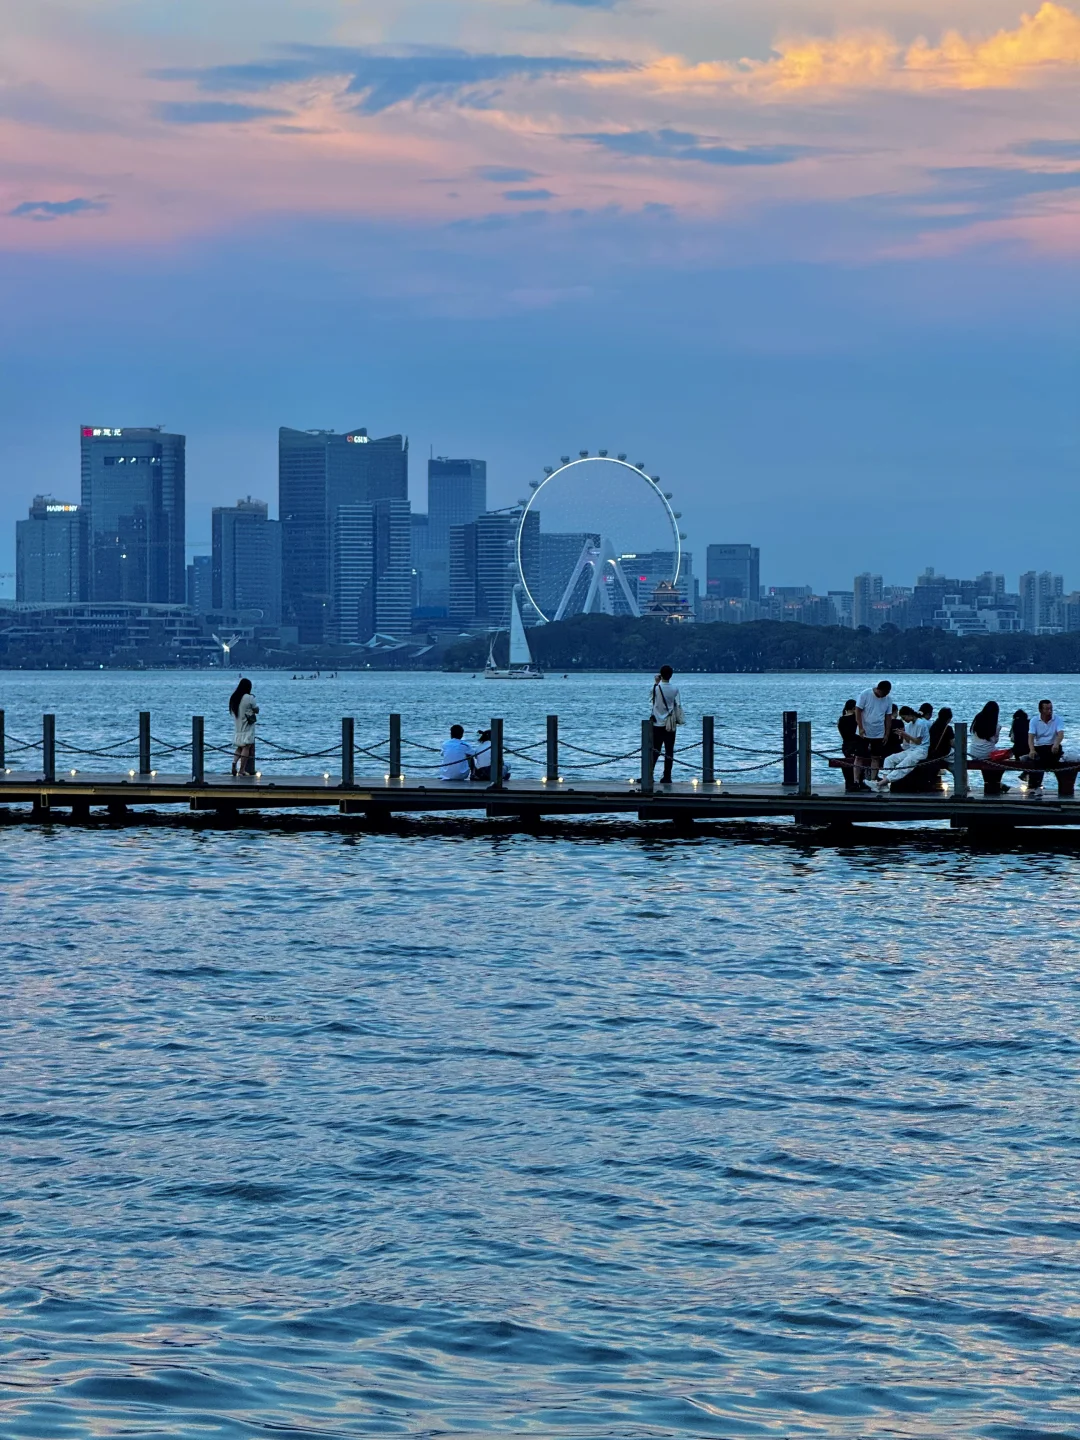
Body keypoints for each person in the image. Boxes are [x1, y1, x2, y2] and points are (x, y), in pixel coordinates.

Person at [878, 705, 929, 788]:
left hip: (921, 750)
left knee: (904, 763)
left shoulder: (920, 724)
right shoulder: (908, 726)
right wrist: (903, 735)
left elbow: (918, 741)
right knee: (889, 759)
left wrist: (905, 734)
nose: (904, 720)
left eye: (904, 717)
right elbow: (909, 742)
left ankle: (881, 783)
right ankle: (884, 784)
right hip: (911, 749)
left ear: (909, 715)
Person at [854, 679, 892, 787]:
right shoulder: (865, 694)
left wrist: (887, 733)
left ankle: (873, 780)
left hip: (879, 732)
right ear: (878, 689)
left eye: (887, 693)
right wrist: (860, 727)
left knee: (876, 757)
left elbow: (888, 717)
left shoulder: (888, 699)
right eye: (884, 693)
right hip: (864, 731)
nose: (885, 695)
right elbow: (858, 710)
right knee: (859, 757)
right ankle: (856, 780)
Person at [650, 665, 682, 785]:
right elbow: (677, 704)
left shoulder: (656, 688)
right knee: (669, 751)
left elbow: (651, 700)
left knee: (654, 750)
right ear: (671, 675)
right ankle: (667, 776)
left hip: (657, 724)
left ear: (660, 674)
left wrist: (656, 683)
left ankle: (649, 775)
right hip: (670, 724)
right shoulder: (675, 689)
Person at [969, 701, 1009, 796]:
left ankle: (989, 783)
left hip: (973, 752)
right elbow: (995, 741)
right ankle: (996, 783)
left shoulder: (976, 721)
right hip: (988, 753)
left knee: (986, 764)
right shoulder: (996, 725)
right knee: (1004, 759)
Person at [1025, 699, 1064, 794]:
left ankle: (1033, 784)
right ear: (1040, 710)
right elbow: (1031, 737)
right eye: (1047, 709)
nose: (1049, 711)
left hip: (1052, 746)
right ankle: (1036, 785)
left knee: (1041, 760)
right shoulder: (1034, 720)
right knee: (1040, 757)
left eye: (1051, 709)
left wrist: (1056, 744)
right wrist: (1032, 749)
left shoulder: (1057, 719)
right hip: (1040, 746)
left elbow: (1060, 734)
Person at [229, 678, 258, 776]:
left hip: (238, 725)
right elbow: (256, 709)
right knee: (246, 747)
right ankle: (242, 770)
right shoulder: (249, 698)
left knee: (240, 747)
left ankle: (234, 762)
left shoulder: (235, 697)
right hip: (247, 725)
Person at [837, 699, 859, 792]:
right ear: (854, 708)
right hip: (855, 745)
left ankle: (849, 783)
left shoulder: (841, 719)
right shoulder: (856, 718)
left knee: (848, 762)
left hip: (846, 745)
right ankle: (857, 782)